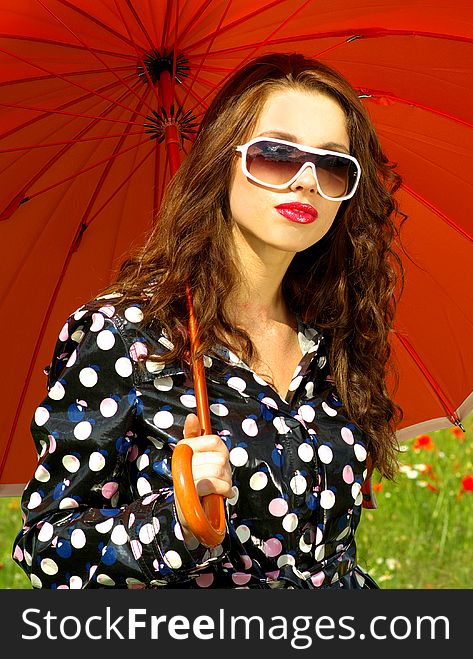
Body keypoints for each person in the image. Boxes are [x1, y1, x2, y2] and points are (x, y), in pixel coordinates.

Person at [12, 52, 405, 588]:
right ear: (224, 161)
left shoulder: (330, 338)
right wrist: (177, 520)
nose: (307, 181)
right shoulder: (126, 336)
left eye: (333, 164)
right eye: (276, 155)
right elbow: (47, 548)